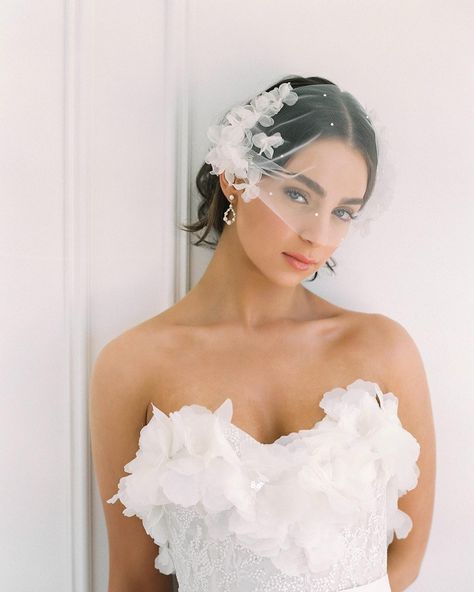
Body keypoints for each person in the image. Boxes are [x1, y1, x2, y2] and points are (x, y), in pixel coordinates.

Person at [89, 75, 436, 592]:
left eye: (342, 212)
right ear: (234, 176)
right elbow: (136, 580)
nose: (319, 234)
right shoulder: (133, 365)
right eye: (298, 194)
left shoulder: (383, 350)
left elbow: (404, 560)